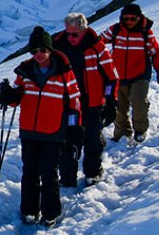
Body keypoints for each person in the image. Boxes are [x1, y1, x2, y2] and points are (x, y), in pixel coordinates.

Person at [0, 26, 81, 227]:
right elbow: (17, 98)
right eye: (34, 51)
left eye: (42, 50)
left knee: (49, 172)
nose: (38, 55)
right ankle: (29, 211)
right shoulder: (25, 71)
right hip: (29, 132)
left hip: (53, 132)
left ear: (49, 49)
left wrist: (74, 130)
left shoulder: (64, 72)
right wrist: (7, 95)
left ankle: (51, 212)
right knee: (30, 172)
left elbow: (74, 103)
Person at [51, 13, 119, 186]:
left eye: (75, 34)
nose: (71, 38)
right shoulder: (58, 47)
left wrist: (111, 100)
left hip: (93, 102)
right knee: (67, 141)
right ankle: (67, 178)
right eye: (68, 34)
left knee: (92, 140)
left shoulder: (97, 46)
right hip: (68, 104)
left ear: (83, 30)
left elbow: (111, 76)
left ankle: (93, 173)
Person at [101, 4, 159, 143]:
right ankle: (122, 133)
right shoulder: (116, 29)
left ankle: (140, 131)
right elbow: (99, 42)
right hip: (118, 76)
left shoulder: (146, 33)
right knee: (120, 107)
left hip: (140, 74)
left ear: (138, 17)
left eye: (132, 19)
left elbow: (155, 52)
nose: (129, 22)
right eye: (126, 18)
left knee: (139, 102)